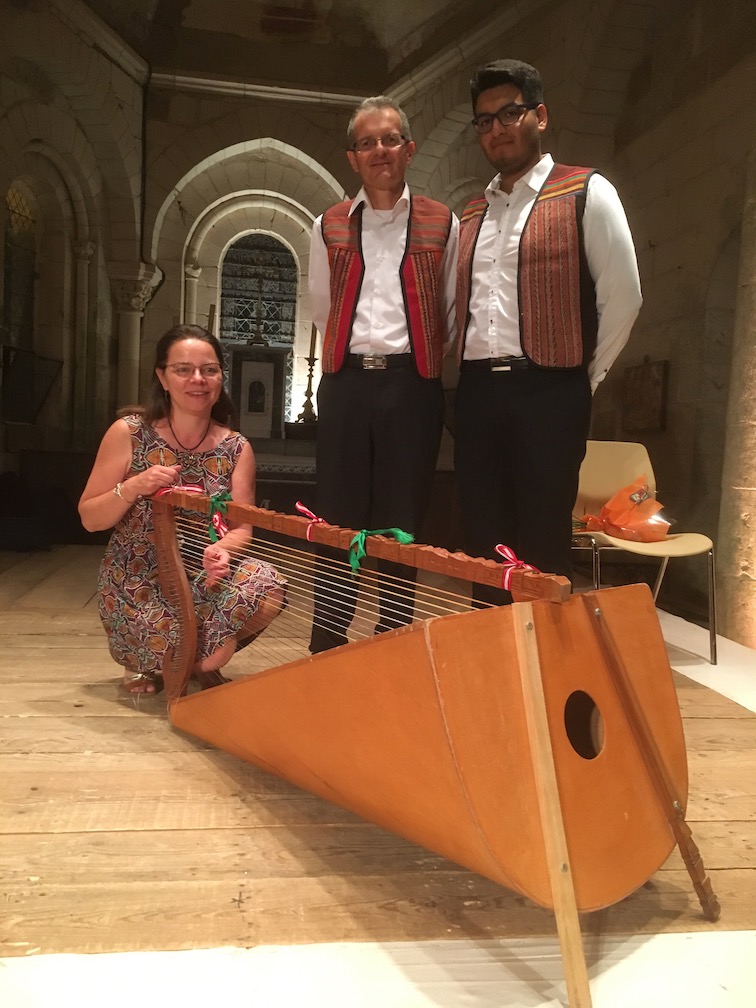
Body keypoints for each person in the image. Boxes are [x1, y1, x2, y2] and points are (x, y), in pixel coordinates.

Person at [454, 59, 642, 600]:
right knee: (483, 547)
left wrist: (581, 379)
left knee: (543, 545)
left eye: (509, 113)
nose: (496, 128)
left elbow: (623, 297)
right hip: (477, 393)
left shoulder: (586, 191)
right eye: (484, 121)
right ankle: (493, 649)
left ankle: (546, 652)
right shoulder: (471, 212)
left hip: (550, 393)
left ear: (540, 116)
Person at [307, 95, 458, 652]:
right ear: (353, 157)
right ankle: (328, 638)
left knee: (402, 516)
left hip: (412, 385)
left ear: (409, 149)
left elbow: (449, 308)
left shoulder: (443, 221)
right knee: (336, 514)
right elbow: (322, 306)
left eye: (390, 139)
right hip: (346, 384)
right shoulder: (327, 224)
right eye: (367, 142)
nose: (379, 150)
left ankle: (394, 636)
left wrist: (416, 359)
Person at [78, 324, 286, 694]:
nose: (198, 379)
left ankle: (193, 660)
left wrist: (222, 550)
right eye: (183, 369)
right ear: (162, 377)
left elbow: (242, 527)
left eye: (209, 370)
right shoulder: (129, 433)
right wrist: (132, 487)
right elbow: (90, 518)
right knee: (186, 644)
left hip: (204, 576)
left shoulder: (237, 448)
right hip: (138, 581)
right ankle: (163, 659)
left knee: (267, 584)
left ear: (220, 376)